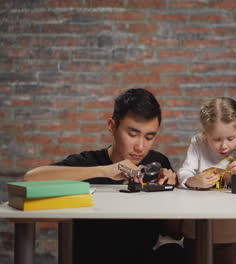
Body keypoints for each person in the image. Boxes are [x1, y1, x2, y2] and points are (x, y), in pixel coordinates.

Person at [24, 88, 183, 264]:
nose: (140, 146)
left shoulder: (158, 163)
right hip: (92, 258)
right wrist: (104, 170)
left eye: (149, 137)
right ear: (112, 127)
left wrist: (174, 190)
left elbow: (174, 233)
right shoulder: (88, 162)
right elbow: (32, 178)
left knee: (175, 252)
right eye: (132, 134)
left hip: (141, 257)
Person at [178, 97, 236, 264]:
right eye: (217, 140)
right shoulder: (198, 142)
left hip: (229, 229)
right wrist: (193, 181)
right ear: (205, 134)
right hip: (195, 228)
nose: (224, 146)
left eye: (230, 139)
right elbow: (184, 172)